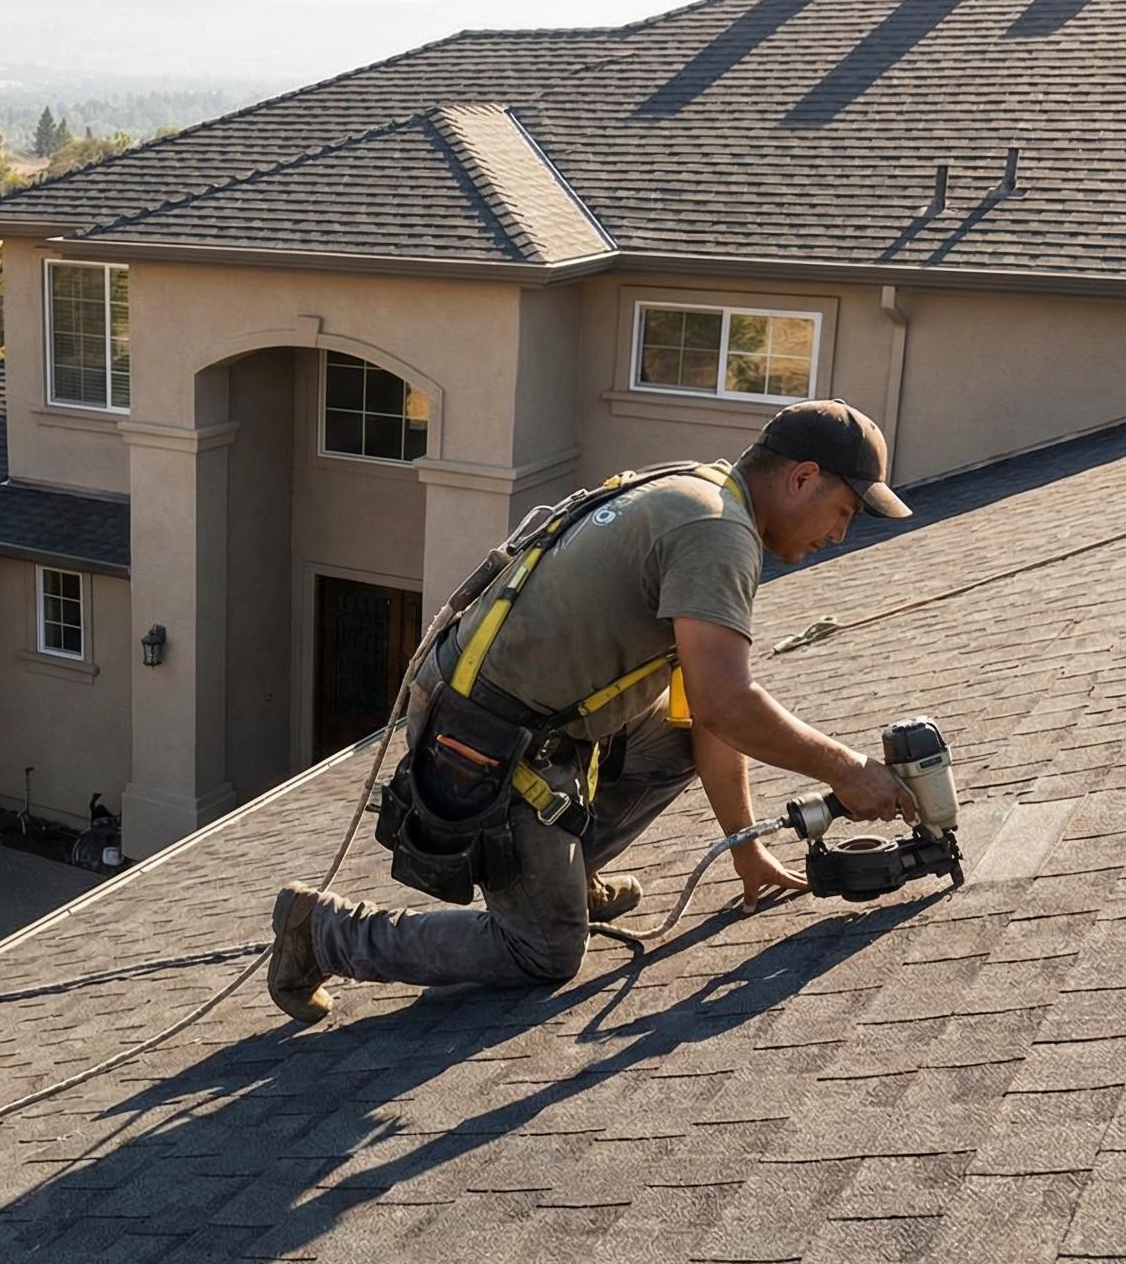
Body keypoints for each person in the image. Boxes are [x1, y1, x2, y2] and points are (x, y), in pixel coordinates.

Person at [268, 399, 921, 1025]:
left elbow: (706, 716)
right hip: (485, 742)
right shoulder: (716, 534)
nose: (839, 535)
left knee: (674, 736)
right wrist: (847, 769)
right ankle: (324, 933)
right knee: (543, 951)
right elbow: (728, 703)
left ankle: (568, 874)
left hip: (515, 715)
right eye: (843, 511)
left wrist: (745, 851)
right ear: (802, 478)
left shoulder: (698, 489)